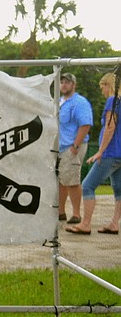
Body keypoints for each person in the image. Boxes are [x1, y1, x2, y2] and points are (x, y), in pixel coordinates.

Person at [66, 72, 121, 235]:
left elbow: (110, 127)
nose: (101, 91)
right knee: (118, 190)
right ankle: (114, 224)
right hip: (119, 154)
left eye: (102, 87)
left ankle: (86, 224)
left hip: (110, 153)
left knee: (88, 186)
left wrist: (100, 152)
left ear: (108, 85)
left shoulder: (112, 101)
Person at [56, 72, 93, 226]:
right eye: (62, 82)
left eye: (67, 82)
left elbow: (85, 124)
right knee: (61, 179)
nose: (64, 85)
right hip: (60, 146)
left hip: (73, 146)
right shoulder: (59, 102)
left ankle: (76, 214)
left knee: (72, 180)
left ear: (73, 85)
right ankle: (60, 212)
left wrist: (75, 146)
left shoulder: (79, 102)